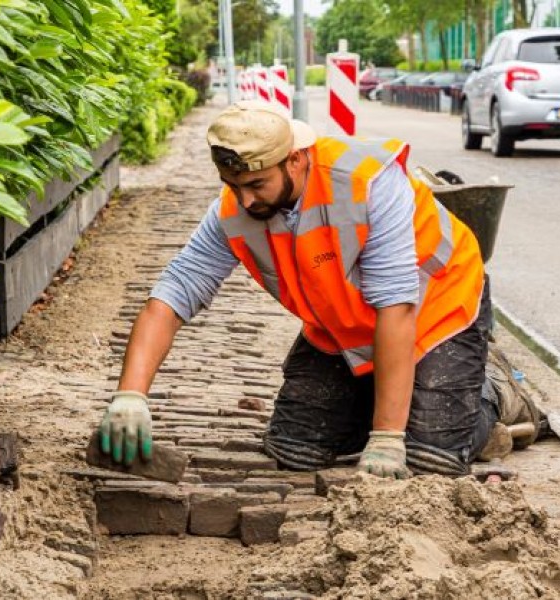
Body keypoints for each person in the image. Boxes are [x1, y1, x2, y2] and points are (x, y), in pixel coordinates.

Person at [98, 100, 497, 479]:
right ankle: (387, 397)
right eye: (233, 185)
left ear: (295, 159)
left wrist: (388, 438)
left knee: (430, 458)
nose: (246, 200)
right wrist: (130, 396)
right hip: (345, 327)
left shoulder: (367, 181)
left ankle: (491, 398)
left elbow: (396, 304)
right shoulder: (234, 209)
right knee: (296, 449)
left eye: (257, 184)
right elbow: (175, 292)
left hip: (436, 310)